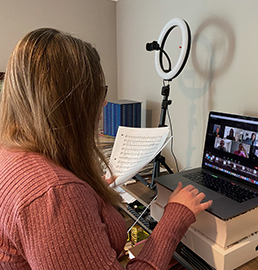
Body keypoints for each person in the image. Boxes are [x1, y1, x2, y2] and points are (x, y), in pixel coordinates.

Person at [0, 28, 212, 270]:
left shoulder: (10, 152)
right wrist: (174, 218)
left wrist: (87, 190)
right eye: (98, 92)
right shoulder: (55, 196)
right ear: (70, 103)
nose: (103, 102)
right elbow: (53, 202)